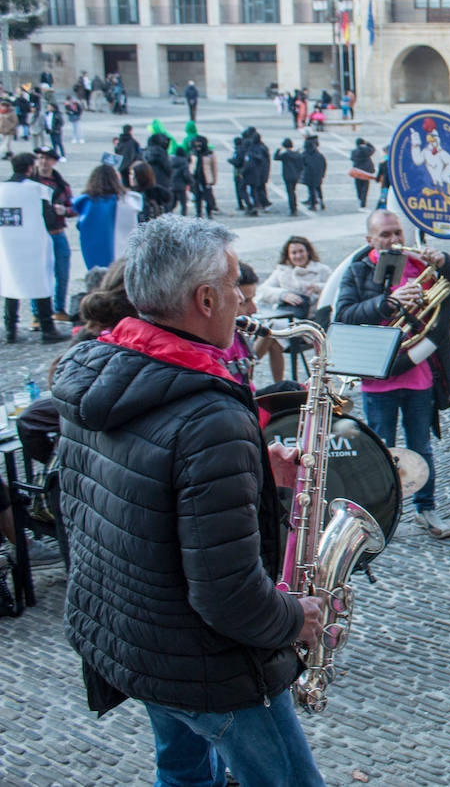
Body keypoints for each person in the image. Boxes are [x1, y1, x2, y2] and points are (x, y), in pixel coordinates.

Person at [53, 215, 327, 787]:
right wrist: (293, 619)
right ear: (204, 299)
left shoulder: (99, 370)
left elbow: (114, 497)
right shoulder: (210, 417)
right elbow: (228, 596)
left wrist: (249, 467)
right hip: (206, 665)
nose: (240, 299)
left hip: (136, 643)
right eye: (231, 286)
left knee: (182, 776)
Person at [335, 209, 450, 539]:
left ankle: (426, 509)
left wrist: (446, 262)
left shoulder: (421, 266)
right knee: (380, 451)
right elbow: (343, 316)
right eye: (385, 235)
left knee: (421, 447)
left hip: (420, 377)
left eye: (397, 232)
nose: (394, 240)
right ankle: (381, 514)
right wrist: (385, 303)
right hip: (378, 379)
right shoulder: (358, 271)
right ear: (370, 240)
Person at [5, 153, 66, 343]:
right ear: (31, 168)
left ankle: (10, 329)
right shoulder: (38, 190)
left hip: (7, 244)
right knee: (41, 283)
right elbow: (49, 219)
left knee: (10, 284)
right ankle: (47, 328)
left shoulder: (2, 189)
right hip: (34, 243)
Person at [255, 235, 333, 383]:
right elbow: (263, 290)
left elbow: (334, 289)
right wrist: (283, 294)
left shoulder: (322, 270)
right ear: (288, 255)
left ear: (308, 252)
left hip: (310, 324)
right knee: (273, 340)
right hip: (287, 318)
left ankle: (249, 363)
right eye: (294, 252)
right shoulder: (282, 271)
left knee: (269, 330)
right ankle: (278, 383)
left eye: (301, 251)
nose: (298, 256)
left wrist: (317, 288)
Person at [32, 148, 74, 320]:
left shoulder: (60, 184)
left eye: (47, 159)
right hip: (38, 234)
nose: (43, 162)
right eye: (40, 158)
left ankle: (59, 309)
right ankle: (38, 313)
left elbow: (73, 208)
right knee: (39, 273)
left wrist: (64, 210)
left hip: (57, 232)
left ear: (54, 162)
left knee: (62, 273)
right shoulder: (31, 184)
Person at [71, 164, 130, 271]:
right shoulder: (123, 201)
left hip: (93, 250)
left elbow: (80, 224)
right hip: (120, 248)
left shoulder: (87, 202)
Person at [189, 134, 218, 218]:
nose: (198, 146)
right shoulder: (193, 153)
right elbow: (190, 166)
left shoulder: (209, 153)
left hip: (206, 178)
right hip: (196, 178)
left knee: (208, 197)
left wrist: (214, 180)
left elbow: (214, 167)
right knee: (197, 197)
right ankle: (198, 213)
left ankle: (209, 212)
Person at [274, 138, 305, 216]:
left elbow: (276, 157)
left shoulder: (285, 155)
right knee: (293, 191)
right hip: (296, 176)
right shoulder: (298, 154)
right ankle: (294, 206)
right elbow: (301, 166)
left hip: (287, 175)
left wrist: (278, 150)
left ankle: (293, 209)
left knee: (290, 193)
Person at [300, 134, 325, 212]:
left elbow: (301, 164)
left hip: (309, 175)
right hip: (318, 174)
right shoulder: (319, 155)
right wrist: (322, 174)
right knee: (318, 188)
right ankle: (321, 201)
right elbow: (324, 165)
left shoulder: (305, 154)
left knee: (311, 190)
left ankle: (313, 204)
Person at [350, 138, 376, 209]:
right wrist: (368, 143)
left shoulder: (354, 151)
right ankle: (363, 202)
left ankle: (360, 198)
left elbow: (352, 158)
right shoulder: (367, 150)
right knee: (365, 187)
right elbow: (373, 149)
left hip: (357, 171)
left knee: (358, 186)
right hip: (366, 172)